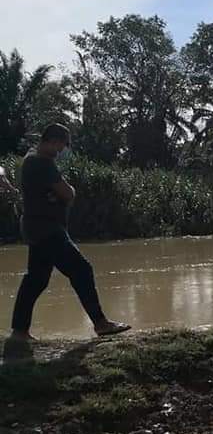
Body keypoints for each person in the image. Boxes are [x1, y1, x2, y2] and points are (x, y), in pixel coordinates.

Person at [9, 124, 130, 341]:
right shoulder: (42, 163)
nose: (62, 150)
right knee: (82, 269)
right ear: (54, 141)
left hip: (35, 228)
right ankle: (101, 324)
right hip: (48, 229)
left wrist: (57, 195)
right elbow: (67, 192)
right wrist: (64, 193)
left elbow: (57, 193)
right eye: (62, 145)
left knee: (36, 279)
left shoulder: (31, 157)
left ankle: (19, 331)